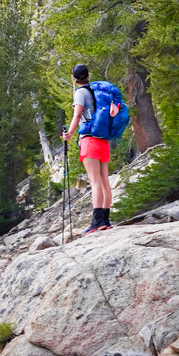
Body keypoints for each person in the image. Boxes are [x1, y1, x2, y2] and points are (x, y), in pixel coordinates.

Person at [62, 63, 120, 234]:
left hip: (89, 140)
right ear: (89, 75)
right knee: (104, 182)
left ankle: (96, 222)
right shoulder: (97, 91)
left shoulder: (80, 93)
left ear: (74, 78)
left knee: (94, 182)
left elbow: (78, 115)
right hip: (103, 140)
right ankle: (105, 220)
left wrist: (69, 134)